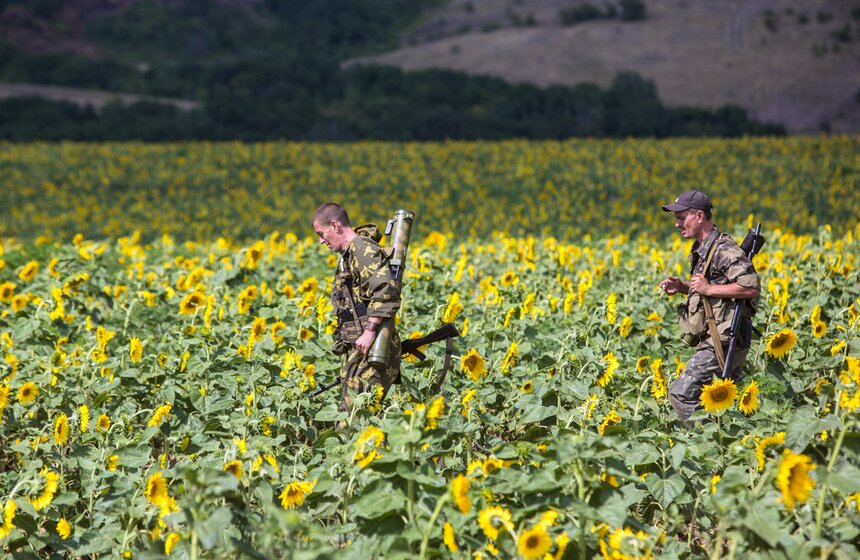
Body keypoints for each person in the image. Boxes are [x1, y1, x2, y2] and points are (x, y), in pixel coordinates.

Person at [658, 190, 760, 424]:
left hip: (724, 340)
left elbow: (751, 287)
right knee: (723, 409)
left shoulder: (723, 248)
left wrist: (709, 289)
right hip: (715, 338)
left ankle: (704, 441)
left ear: (699, 216)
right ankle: (730, 440)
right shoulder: (703, 248)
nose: (677, 224)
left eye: (681, 217)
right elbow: (711, 288)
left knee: (680, 394)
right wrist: (682, 287)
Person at [312, 202, 401, 412]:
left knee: (356, 416)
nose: (321, 241)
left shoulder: (362, 249)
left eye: (321, 234)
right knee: (354, 414)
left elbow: (385, 290)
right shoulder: (349, 254)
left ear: (335, 225)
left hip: (373, 345)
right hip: (360, 347)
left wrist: (370, 331)